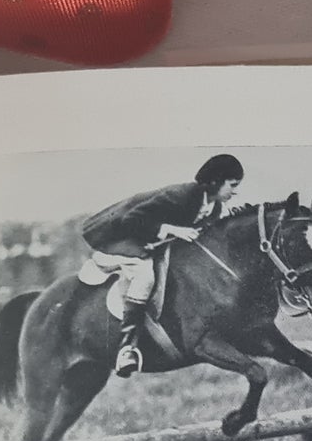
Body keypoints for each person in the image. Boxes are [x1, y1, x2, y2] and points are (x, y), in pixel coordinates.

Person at [80, 153, 245, 376]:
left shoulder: (213, 207)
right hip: (122, 236)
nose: (235, 191)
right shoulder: (181, 195)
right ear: (216, 181)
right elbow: (132, 220)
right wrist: (172, 229)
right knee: (145, 275)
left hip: (151, 240)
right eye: (232, 185)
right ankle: (127, 347)